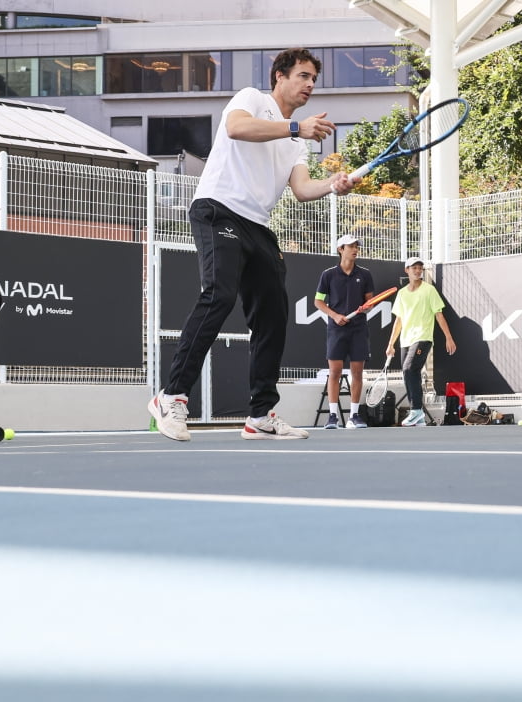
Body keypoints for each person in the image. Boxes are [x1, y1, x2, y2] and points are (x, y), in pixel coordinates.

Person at [148, 48, 354, 441]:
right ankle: (171, 397)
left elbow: (302, 190)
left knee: (273, 315)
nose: (310, 85)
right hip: (218, 209)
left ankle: (261, 414)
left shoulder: (297, 143)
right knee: (219, 296)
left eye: (314, 79)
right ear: (280, 75)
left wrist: (334, 185)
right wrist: (296, 128)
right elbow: (237, 129)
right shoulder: (252, 99)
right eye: (303, 76)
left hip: (257, 225)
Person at [314, 234, 376, 429]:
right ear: (340, 249)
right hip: (336, 329)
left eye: (357, 246)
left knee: (357, 373)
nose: (355, 249)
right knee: (335, 372)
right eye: (351, 246)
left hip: (358, 328)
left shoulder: (365, 274)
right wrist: (334, 316)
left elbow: (370, 301)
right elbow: (318, 301)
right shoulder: (328, 275)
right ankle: (333, 417)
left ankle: (354, 416)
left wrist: (366, 308)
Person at [385, 257, 457, 426]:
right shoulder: (402, 294)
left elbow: (439, 314)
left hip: (423, 338)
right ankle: (418, 415)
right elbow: (399, 320)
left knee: (410, 369)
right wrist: (391, 344)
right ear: (407, 270)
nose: (418, 271)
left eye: (420, 268)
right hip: (405, 340)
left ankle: (416, 411)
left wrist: (448, 337)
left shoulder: (429, 290)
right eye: (414, 268)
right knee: (408, 374)